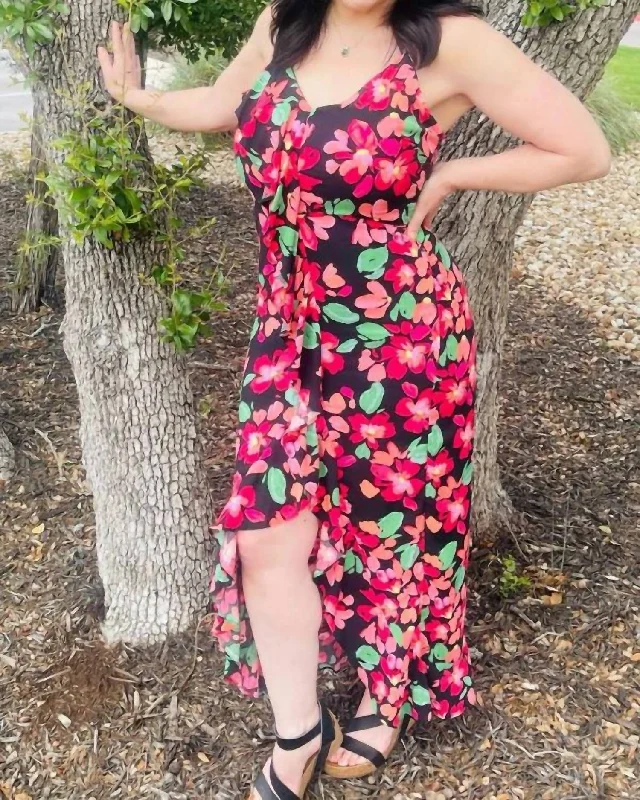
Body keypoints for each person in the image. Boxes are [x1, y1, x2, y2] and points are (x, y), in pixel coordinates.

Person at [98, 2, 610, 798]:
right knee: (269, 532)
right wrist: (140, 101)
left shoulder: (451, 43)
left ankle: (385, 693)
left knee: (389, 526)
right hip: (291, 324)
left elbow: (583, 149)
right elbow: (224, 104)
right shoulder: (284, 22)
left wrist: (451, 173)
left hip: (400, 333)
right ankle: (297, 733)